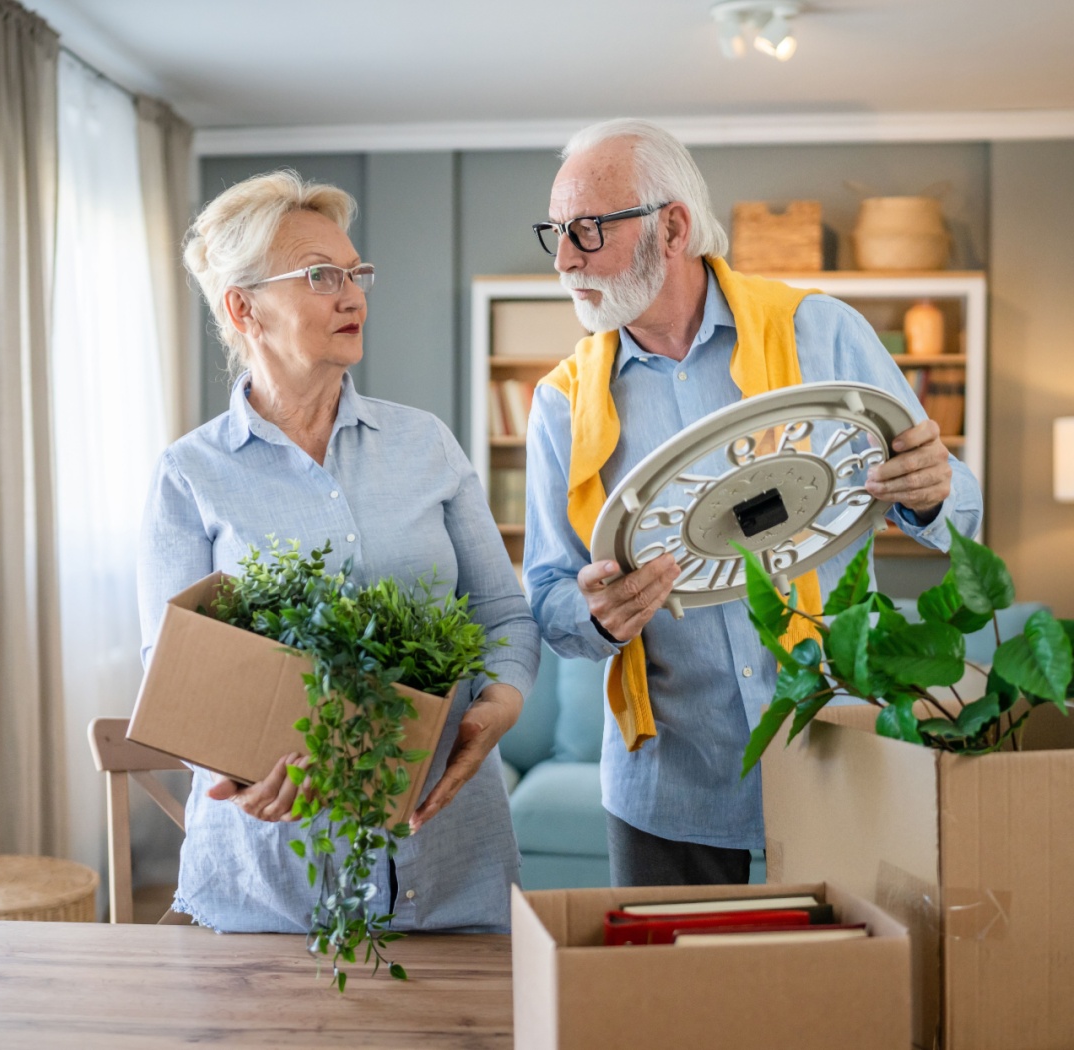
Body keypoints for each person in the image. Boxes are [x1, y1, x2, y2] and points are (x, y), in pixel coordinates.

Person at [522, 119, 983, 887]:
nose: (565, 259)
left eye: (588, 230)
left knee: (849, 1000)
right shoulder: (560, 405)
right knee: (678, 1007)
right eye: (557, 233)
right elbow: (545, 594)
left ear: (672, 227)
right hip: (666, 787)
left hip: (842, 750)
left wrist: (933, 492)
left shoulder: (822, 333)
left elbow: (956, 512)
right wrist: (594, 614)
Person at [139, 170, 541, 933]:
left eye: (357, 274)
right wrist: (232, 768)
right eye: (322, 276)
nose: (354, 295)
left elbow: (502, 615)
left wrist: (498, 706)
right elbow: (172, 669)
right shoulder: (190, 475)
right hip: (272, 890)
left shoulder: (426, 444)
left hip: (452, 862)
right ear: (243, 308)